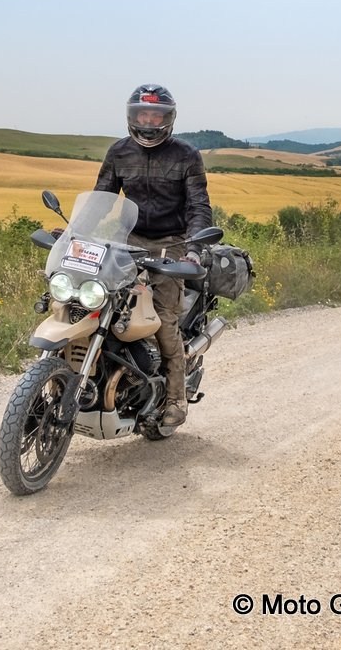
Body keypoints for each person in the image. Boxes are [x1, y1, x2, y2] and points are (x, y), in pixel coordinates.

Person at [93, 84, 212, 428]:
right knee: (97, 298)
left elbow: (199, 206)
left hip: (171, 242)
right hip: (128, 239)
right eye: (142, 115)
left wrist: (193, 249)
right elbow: (101, 197)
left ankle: (175, 397)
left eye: (155, 116)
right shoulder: (119, 152)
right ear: (132, 116)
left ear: (168, 119)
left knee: (162, 316)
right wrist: (75, 231)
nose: (148, 122)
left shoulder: (186, 155)